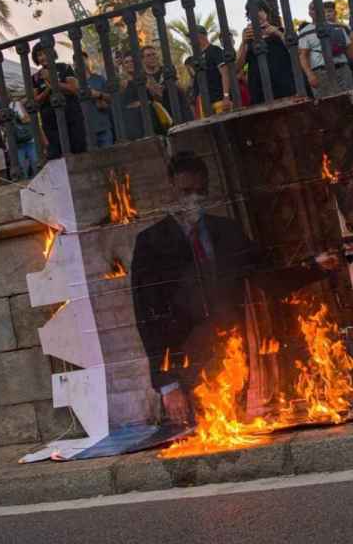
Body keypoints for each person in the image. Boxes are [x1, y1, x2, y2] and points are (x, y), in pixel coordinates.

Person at [131, 151, 334, 422]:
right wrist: (168, 385)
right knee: (196, 444)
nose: (193, 200)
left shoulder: (226, 232)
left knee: (237, 432)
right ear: (172, 189)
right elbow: (147, 317)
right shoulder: (151, 243)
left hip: (230, 355)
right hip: (184, 365)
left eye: (200, 192)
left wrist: (316, 267)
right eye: (185, 192)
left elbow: (268, 277)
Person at [31, 44, 87, 160]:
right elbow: (35, 101)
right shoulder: (35, 77)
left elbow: (74, 89)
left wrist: (51, 80)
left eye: (45, 53)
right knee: (57, 156)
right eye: (39, 55)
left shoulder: (64, 67)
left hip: (72, 118)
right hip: (51, 124)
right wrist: (48, 89)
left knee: (79, 152)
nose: (43, 57)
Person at [237, 0, 297, 105]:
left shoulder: (280, 31)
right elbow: (237, 67)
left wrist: (277, 33)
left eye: (259, 10)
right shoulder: (248, 37)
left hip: (285, 85)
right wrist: (243, 43)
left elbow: (296, 52)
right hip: (259, 89)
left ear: (266, 12)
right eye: (251, 11)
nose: (256, 14)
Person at [298, 1, 353, 97]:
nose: (316, 11)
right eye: (313, 9)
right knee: (327, 106)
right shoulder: (305, 32)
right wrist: (310, 75)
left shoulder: (337, 26)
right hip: (320, 74)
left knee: (350, 103)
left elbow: (349, 49)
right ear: (309, 13)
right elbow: (303, 55)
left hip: (343, 70)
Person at [191, 26, 233, 117]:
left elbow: (225, 73)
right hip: (206, 104)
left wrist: (226, 96)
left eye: (191, 37)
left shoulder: (215, 50)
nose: (190, 40)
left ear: (200, 36)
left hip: (219, 101)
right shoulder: (198, 57)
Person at [81, 52, 115, 148]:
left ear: (88, 61)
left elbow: (112, 98)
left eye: (83, 59)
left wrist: (99, 95)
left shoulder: (99, 79)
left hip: (103, 126)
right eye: (77, 61)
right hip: (86, 130)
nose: (81, 63)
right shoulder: (75, 83)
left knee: (110, 157)